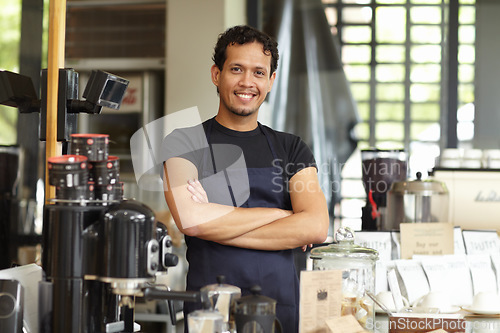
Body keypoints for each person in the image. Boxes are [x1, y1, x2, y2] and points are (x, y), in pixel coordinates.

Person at [161, 25, 329, 332]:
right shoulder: (183, 143)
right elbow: (191, 219)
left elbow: (316, 226)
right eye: (236, 69)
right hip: (211, 313)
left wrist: (215, 225)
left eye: (258, 73)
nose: (247, 82)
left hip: (281, 311)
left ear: (271, 80)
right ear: (216, 74)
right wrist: (284, 216)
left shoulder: (292, 148)